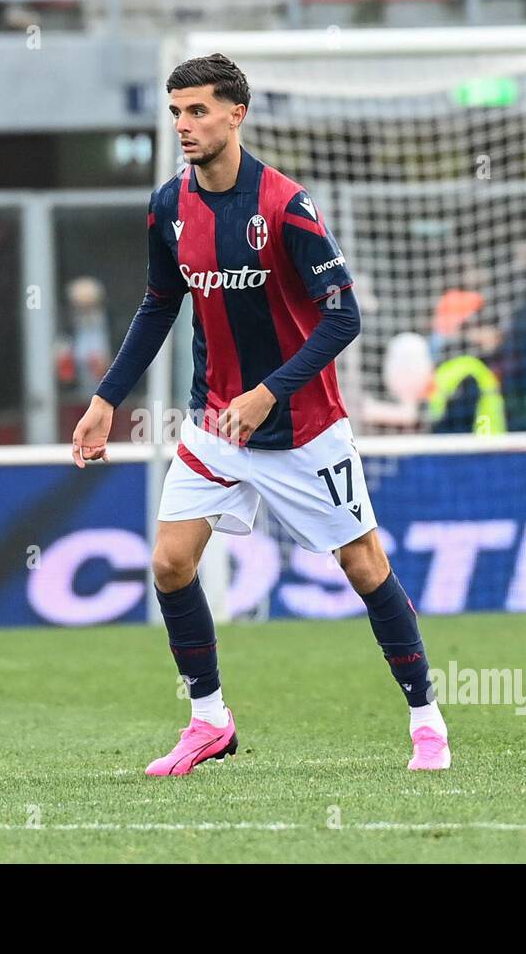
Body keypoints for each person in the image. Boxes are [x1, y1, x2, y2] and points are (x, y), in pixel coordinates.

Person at [70, 53, 449, 776]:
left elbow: (344, 318)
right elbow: (159, 303)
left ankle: (426, 718)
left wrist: (270, 390)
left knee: (363, 564)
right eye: (176, 111)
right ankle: (209, 720)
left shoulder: (286, 206)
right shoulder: (167, 206)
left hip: (301, 427)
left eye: (199, 110)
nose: (184, 124)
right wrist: (104, 400)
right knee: (170, 563)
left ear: (235, 113)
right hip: (216, 423)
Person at [428, 311, 507, 435]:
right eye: (491, 328)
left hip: (449, 442)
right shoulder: (470, 369)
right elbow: (461, 416)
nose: (498, 335)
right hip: (477, 447)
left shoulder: (451, 365)